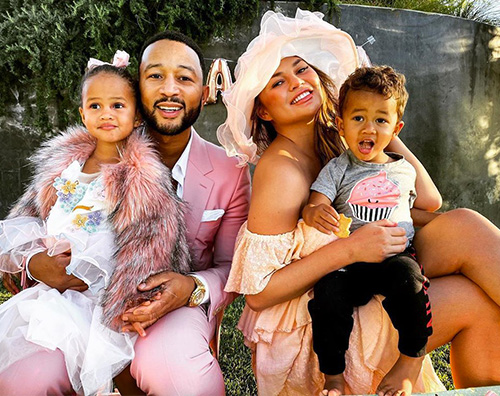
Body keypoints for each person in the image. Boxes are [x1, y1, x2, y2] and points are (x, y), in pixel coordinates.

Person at [221, 8, 500, 396]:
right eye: (278, 82)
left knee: (465, 224)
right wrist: (351, 249)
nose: (298, 82)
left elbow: (430, 200)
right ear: (263, 109)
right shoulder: (280, 170)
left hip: (373, 270)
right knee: (476, 302)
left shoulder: (340, 143)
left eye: (303, 70)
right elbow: (260, 293)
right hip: (321, 319)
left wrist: (376, 117)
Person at [0, 51, 190, 394]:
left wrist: (124, 303)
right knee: (24, 368)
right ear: (82, 114)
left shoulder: (144, 180)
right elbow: (26, 224)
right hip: (52, 298)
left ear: (136, 117)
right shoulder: (62, 170)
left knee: (116, 373)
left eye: (118, 105)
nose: (106, 114)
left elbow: (153, 248)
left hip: (105, 300)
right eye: (96, 106)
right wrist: (33, 263)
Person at [304, 65, 438, 396]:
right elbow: (314, 204)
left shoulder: (403, 168)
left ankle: (410, 361)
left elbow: (428, 203)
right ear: (341, 125)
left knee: (411, 281)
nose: (369, 128)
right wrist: (316, 211)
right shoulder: (338, 168)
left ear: (396, 128)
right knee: (327, 295)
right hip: (354, 260)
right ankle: (333, 376)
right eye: (358, 118)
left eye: (381, 120)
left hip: (396, 257)